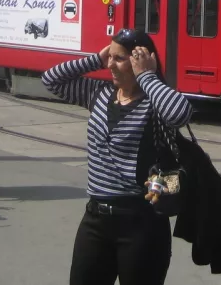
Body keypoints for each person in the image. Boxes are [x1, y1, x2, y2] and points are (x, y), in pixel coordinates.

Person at [42, 28, 193, 285]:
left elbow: (180, 113)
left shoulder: (153, 102)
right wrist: (96, 59)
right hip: (96, 221)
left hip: (141, 223)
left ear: (139, 62)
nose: (111, 64)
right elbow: (50, 80)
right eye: (109, 57)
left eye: (119, 58)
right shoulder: (99, 94)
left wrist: (147, 76)